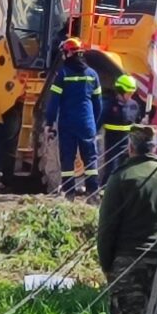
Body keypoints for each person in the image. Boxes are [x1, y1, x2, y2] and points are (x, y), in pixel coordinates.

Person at [97, 125, 157, 314]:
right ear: (155, 148)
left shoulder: (121, 177)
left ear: (131, 148)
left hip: (129, 264)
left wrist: (107, 265)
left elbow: (106, 230)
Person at [44, 37, 103, 199]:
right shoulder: (92, 75)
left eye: (64, 53)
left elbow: (53, 103)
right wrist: (94, 124)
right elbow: (98, 105)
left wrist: (49, 123)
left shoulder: (62, 74)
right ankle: (93, 191)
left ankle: (69, 192)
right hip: (87, 123)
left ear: (69, 53)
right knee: (90, 158)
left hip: (68, 123)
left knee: (68, 158)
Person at [100, 74, 141, 185]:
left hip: (127, 142)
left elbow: (137, 122)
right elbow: (99, 122)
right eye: (129, 93)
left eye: (132, 93)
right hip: (112, 141)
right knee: (111, 168)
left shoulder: (134, 105)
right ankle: (105, 191)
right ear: (121, 91)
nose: (131, 95)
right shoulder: (108, 104)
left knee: (126, 168)